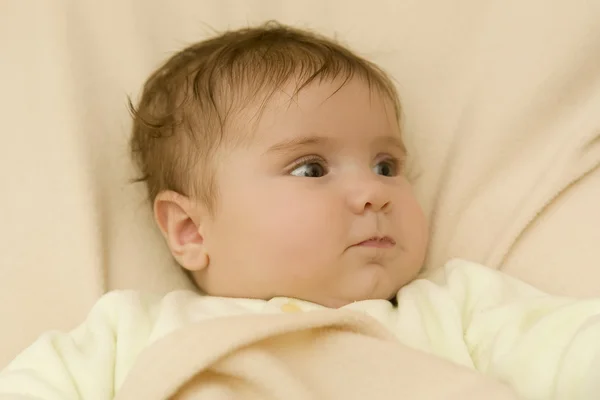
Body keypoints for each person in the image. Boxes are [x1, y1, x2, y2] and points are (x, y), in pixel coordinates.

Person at [1, 22, 598, 400]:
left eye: (387, 165)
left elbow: (572, 349)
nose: (374, 192)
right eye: (311, 168)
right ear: (189, 229)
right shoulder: (129, 332)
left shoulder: (457, 309)